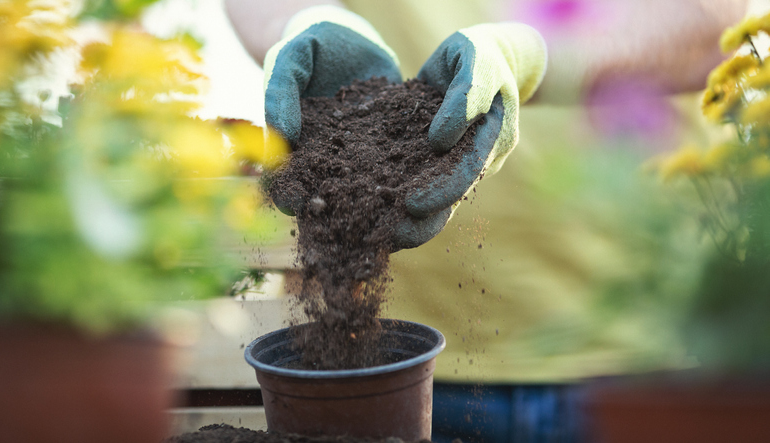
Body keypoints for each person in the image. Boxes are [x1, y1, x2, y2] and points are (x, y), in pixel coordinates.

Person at [225, 1, 752, 441]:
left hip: (662, 356)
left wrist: (530, 55)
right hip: (394, 363)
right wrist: (304, 20)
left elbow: (714, 20)